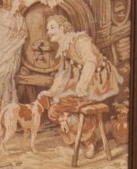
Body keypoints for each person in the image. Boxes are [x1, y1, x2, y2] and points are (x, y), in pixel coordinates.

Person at [39, 14, 120, 157]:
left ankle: (89, 141)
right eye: (47, 29)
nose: (48, 32)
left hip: (98, 81)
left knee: (61, 107)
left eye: (52, 28)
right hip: (85, 81)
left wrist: (81, 86)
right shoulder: (65, 47)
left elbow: (90, 62)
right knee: (55, 109)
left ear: (62, 28)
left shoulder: (80, 40)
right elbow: (63, 74)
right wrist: (51, 92)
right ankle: (85, 137)